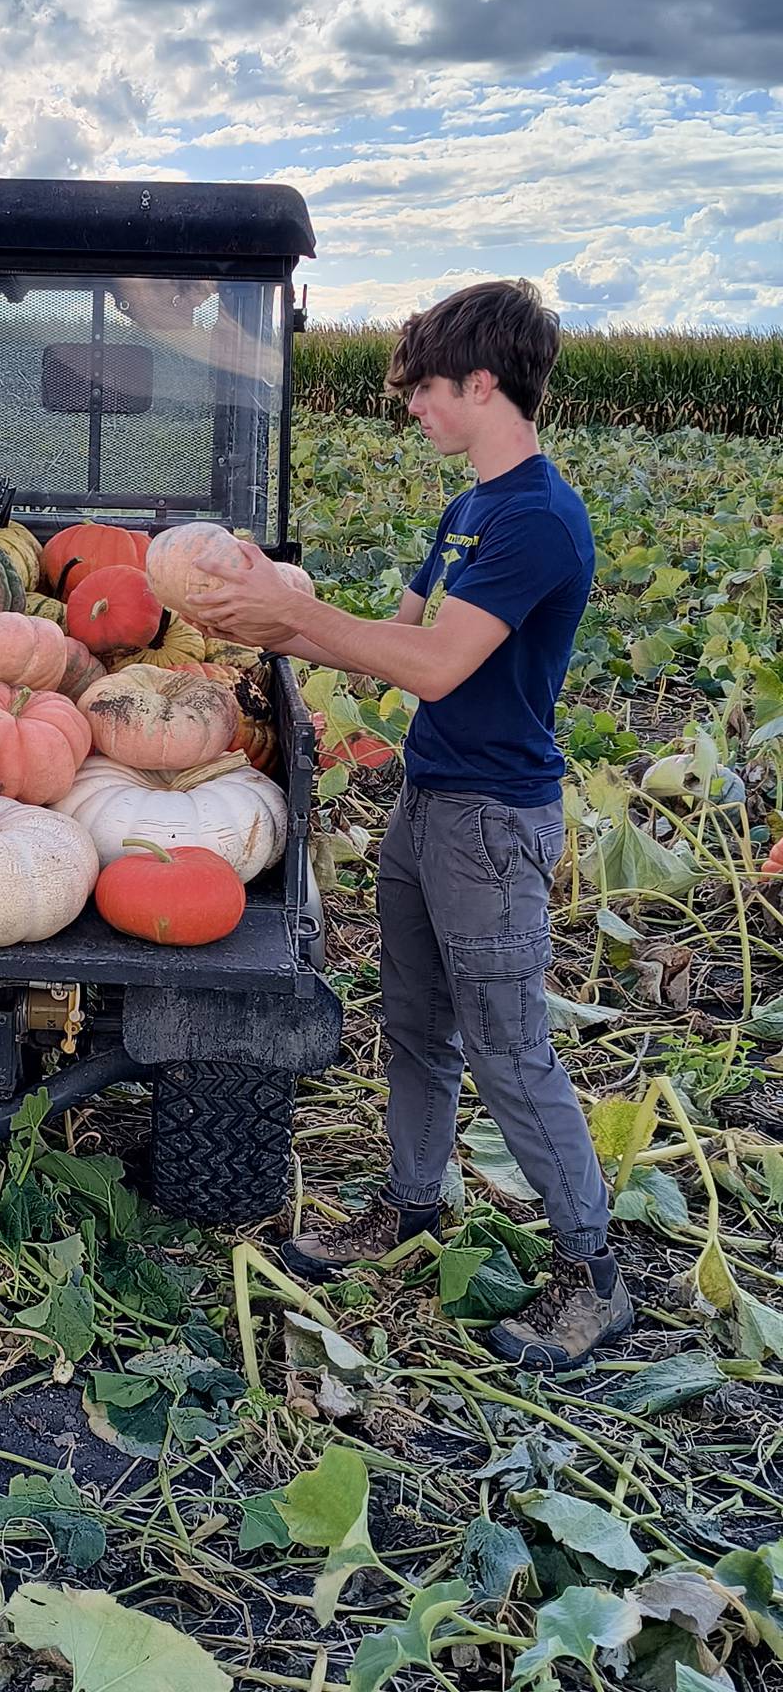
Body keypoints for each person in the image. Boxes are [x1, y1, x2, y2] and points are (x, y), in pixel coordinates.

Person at [187, 279, 632, 1373]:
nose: (414, 411)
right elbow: (395, 636)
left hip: (494, 818)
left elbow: (436, 663)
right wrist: (274, 592)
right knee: (417, 1027)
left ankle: (594, 1272)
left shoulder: (536, 517)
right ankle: (409, 1210)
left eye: (426, 390)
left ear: (483, 382)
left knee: (510, 1049)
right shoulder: (468, 511)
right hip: (432, 798)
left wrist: (293, 618)